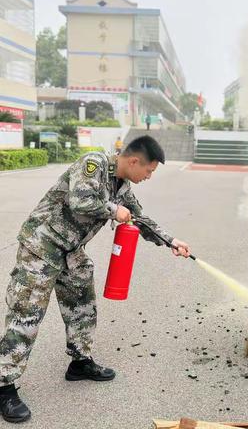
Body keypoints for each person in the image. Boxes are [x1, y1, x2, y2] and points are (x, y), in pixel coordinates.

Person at [0, 136, 191, 423]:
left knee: (82, 306)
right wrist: (114, 210)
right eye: (149, 171)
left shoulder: (123, 186)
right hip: (42, 246)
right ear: (134, 161)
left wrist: (171, 241)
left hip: (71, 251)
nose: (148, 177)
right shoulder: (94, 164)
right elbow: (81, 201)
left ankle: (80, 362)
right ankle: (4, 386)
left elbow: (140, 219)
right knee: (26, 315)